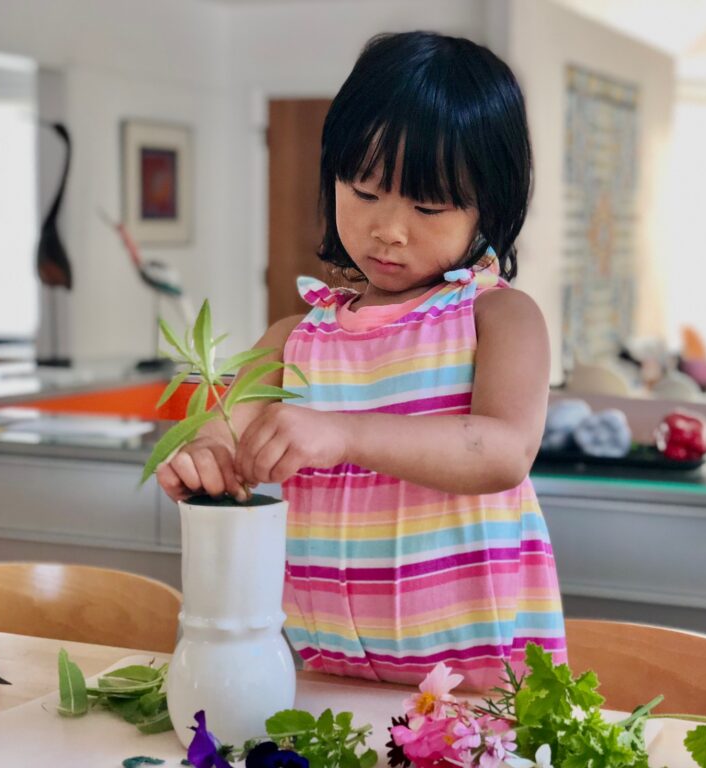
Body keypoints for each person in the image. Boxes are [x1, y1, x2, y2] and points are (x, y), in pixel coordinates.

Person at [157, 30, 565, 690]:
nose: (389, 229)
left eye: (428, 205)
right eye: (365, 191)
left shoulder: (498, 318)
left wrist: (342, 431)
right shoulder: (293, 340)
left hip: (482, 691)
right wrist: (202, 460)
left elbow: (502, 450)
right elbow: (223, 434)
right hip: (324, 672)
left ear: (489, 205)